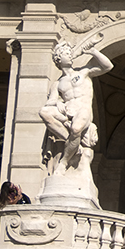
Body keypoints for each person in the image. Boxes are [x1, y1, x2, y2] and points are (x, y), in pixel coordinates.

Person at [38, 32, 113, 173]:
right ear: (59, 59)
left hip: (83, 110)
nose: (70, 54)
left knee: (76, 129)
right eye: (66, 53)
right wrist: (56, 104)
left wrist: (93, 51)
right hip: (67, 112)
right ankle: (72, 142)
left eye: (69, 52)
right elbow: (50, 103)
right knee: (44, 112)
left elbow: (107, 67)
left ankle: (64, 162)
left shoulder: (83, 72)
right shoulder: (57, 83)